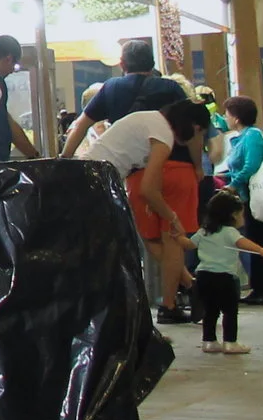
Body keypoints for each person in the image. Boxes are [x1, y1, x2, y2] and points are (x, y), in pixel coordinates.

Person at [79, 98, 212, 322]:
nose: (196, 138)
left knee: (138, 244)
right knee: (120, 253)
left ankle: (190, 286)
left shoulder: (149, 119)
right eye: (198, 131)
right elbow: (148, 189)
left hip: (91, 178)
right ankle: (125, 320)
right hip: (96, 185)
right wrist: (172, 217)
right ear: (191, 124)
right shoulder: (164, 136)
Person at [59, 40, 189, 156]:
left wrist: (64, 159)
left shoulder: (111, 87)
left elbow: (80, 126)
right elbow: (192, 126)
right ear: (152, 63)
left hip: (130, 169)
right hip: (171, 162)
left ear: (122, 64)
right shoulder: (171, 87)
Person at [191, 190, 263, 355]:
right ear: (232, 215)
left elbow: (189, 244)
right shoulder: (230, 232)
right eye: (241, 214)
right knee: (230, 311)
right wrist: (261, 250)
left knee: (210, 311)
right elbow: (243, 243)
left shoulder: (204, 231)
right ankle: (230, 342)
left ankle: (209, 342)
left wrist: (177, 236)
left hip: (203, 276)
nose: (242, 218)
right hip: (225, 278)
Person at [219, 96, 263, 305]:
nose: (226, 118)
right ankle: (259, 287)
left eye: (228, 115)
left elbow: (251, 165)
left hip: (257, 198)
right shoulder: (241, 137)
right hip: (246, 198)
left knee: (261, 242)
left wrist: (233, 184)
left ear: (236, 118)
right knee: (254, 242)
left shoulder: (252, 136)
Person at [0, 36, 40, 159]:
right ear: (9, 59)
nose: (13, 71)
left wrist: (34, 156)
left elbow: (7, 121)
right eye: (15, 65)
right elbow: (2, 127)